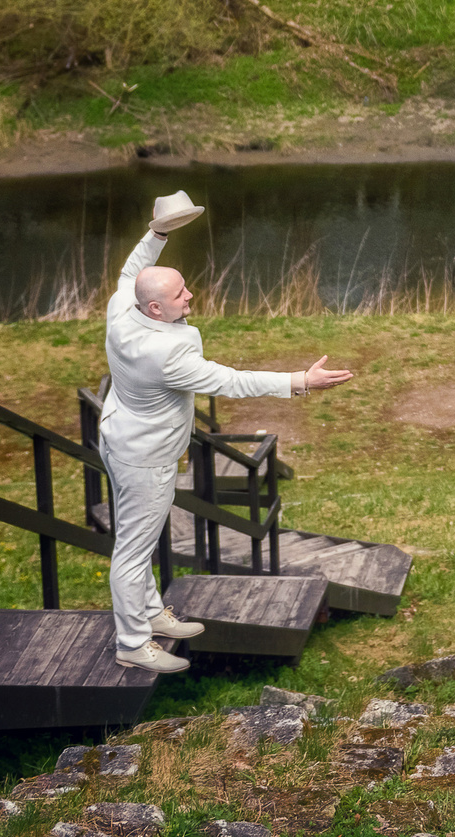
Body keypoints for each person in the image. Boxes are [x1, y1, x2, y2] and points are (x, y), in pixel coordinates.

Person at [101, 189, 354, 672]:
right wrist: (301, 381)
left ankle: (151, 614)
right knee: (132, 551)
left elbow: (130, 271)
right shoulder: (167, 356)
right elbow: (234, 380)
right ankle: (132, 643)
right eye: (180, 294)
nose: (190, 294)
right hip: (145, 458)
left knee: (139, 539)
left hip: (120, 435)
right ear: (156, 310)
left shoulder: (123, 307)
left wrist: (157, 233)